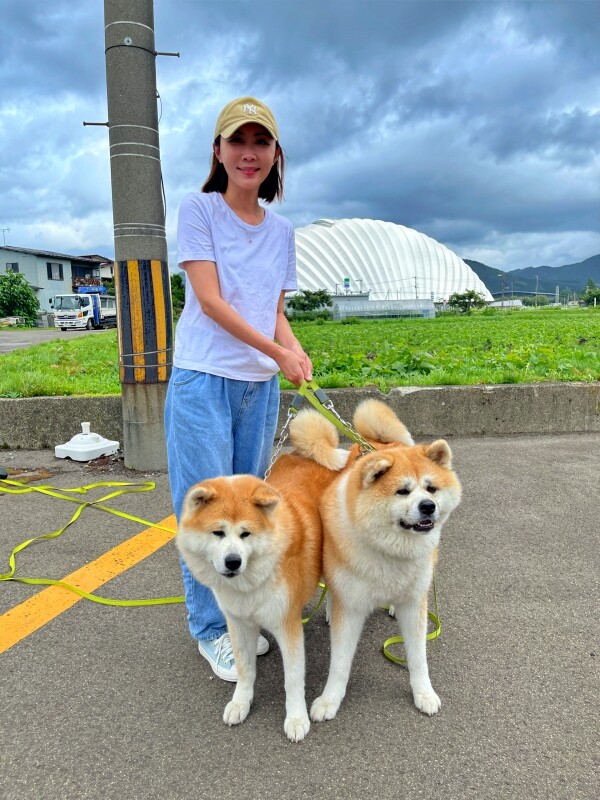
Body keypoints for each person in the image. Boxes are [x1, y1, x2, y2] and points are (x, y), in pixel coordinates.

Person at [164, 96, 312, 681]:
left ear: (276, 156)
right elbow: (211, 301)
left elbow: (272, 310)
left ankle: (245, 616)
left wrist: (292, 350)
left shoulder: (282, 231)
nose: (249, 153)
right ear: (218, 152)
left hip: (259, 386)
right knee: (203, 512)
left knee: (246, 515)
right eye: (237, 141)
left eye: (261, 143)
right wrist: (276, 351)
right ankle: (211, 630)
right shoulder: (199, 210)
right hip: (203, 378)